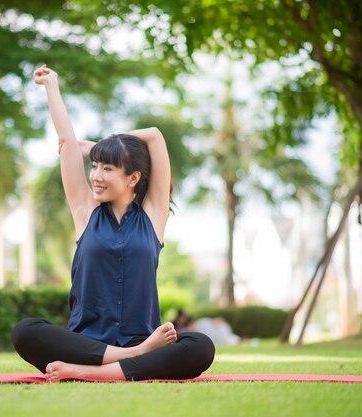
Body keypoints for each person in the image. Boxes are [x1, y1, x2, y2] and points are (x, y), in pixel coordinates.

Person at [11, 64, 215, 382]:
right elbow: (66, 140)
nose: (95, 175)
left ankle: (86, 373)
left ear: (133, 177)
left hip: (140, 337)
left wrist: (99, 146)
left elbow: (155, 138)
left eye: (107, 168)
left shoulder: (152, 216)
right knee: (25, 331)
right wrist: (52, 85)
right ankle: (127, 360)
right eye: (94, 165)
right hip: (90, 344)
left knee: (201, 346)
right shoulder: (85, 211)